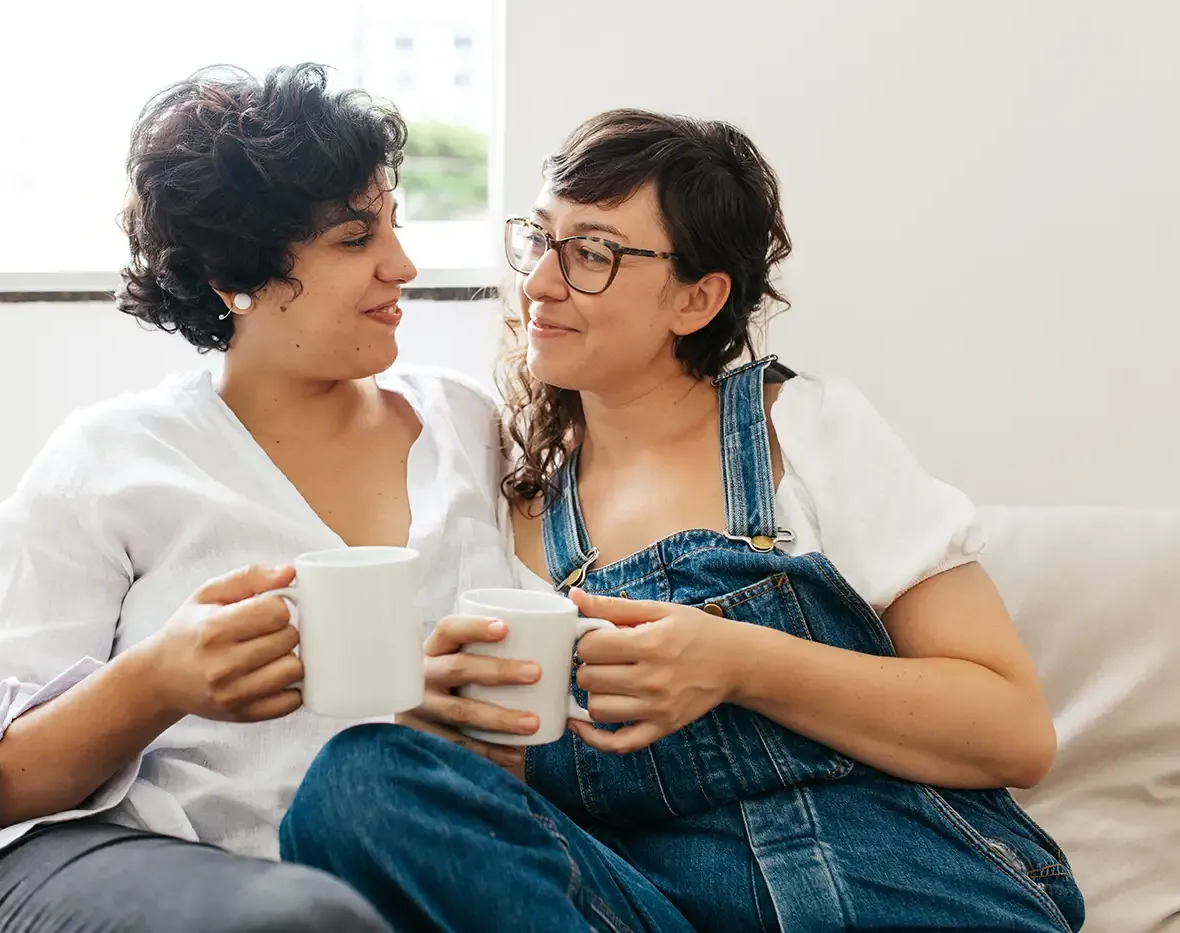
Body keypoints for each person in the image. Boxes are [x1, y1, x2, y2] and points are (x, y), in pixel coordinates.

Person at [279, 110, 1086, 932]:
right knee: (360, 780)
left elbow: (1014, 731)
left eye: (592, 253)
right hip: (656, 907)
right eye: (540, 240)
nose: (540, 284)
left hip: (898, 891)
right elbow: (533, 821)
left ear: (697, 299)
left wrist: (738, 660)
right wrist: (462, 734)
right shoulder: (509, 494)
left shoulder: (801, 431)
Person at [0, 64, 517, 933]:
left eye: (393, 224)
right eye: (355, 240)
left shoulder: (469, 425)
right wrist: (160, 678)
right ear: (229, 272)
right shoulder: (115, 459)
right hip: (124, 867)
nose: (403, 265)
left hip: (400, 859)